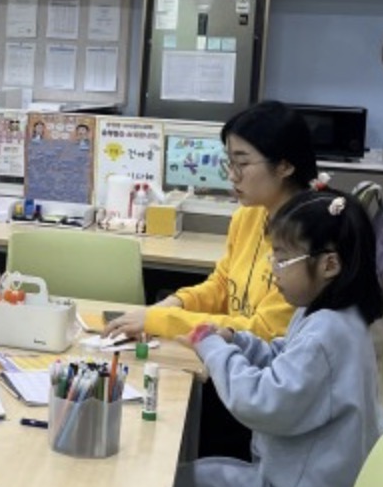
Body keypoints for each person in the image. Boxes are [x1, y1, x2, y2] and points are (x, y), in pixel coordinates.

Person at [169, 188, 383, 487]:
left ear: (329, 265)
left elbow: (260, 401)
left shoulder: (326, 333)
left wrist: (211, 347)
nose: (273, 271)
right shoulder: (331, 314)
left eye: (283, 259)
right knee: (195, 478)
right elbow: (283, 358)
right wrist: (238, 341)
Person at [104, 100, 314, 460]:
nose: (232, 175)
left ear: (285, 166)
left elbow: (263, 331)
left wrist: (161, 320)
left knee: (154, 431)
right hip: (226, 363)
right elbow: (221, 285)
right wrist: (173, 304)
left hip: (261, 389)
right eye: (229, 162)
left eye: (242, 163)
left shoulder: (306, 238)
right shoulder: (249, 216)